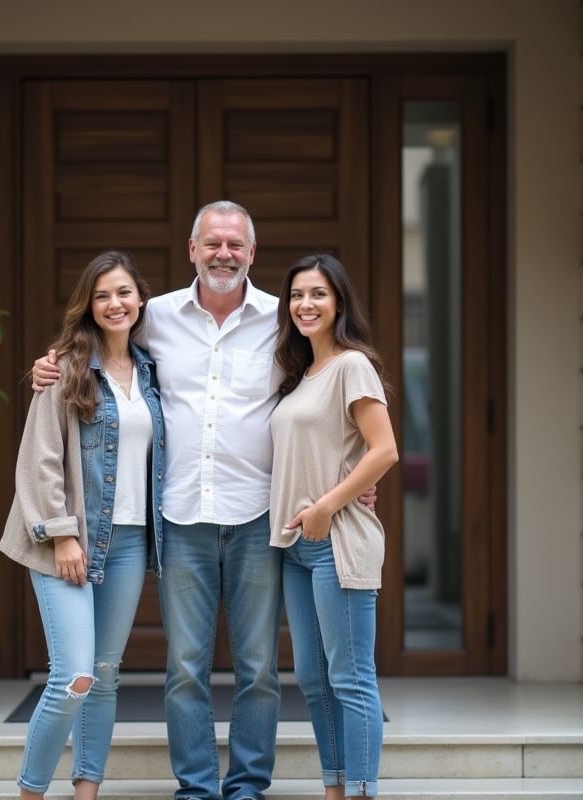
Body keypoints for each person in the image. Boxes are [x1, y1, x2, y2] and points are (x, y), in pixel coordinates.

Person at [32, 202, 375, 800]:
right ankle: (195, 786)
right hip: (179, 516)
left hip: (259, 517)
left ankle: (246, 785)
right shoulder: (155, 315)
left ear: (251, 253)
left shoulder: (284, 319)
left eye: (235, 245)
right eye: (212, 243)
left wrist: (355, 469)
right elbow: (103, 342)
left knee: (259, 668)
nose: (224, 254)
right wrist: (53, 364)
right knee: (185, 666)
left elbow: (327, 390)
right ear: (192, 250)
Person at [0, 251, 165, 800]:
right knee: (72, 677)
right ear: (88, 306)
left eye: (123, 292)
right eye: (102, 295)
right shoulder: (65, 368)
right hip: (66, 542)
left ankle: (87, 793)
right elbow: (40, 459)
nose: (114, 304)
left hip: (130, 541)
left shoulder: (152, 370)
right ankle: (30, 793)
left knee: (104, 674)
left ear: (141, 299)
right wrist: (63, 535)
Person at [269, 254, 398, 800]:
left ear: (339, 301)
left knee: (350, 677)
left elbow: (384, 449)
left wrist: (326, 506)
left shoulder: (352, 365)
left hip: (337, 543)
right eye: (297, 295)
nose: (306, 304)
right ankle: (336, 787)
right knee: (313, 677)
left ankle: (362, 790)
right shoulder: (301, 375)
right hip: (296, 547)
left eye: (318, 293)